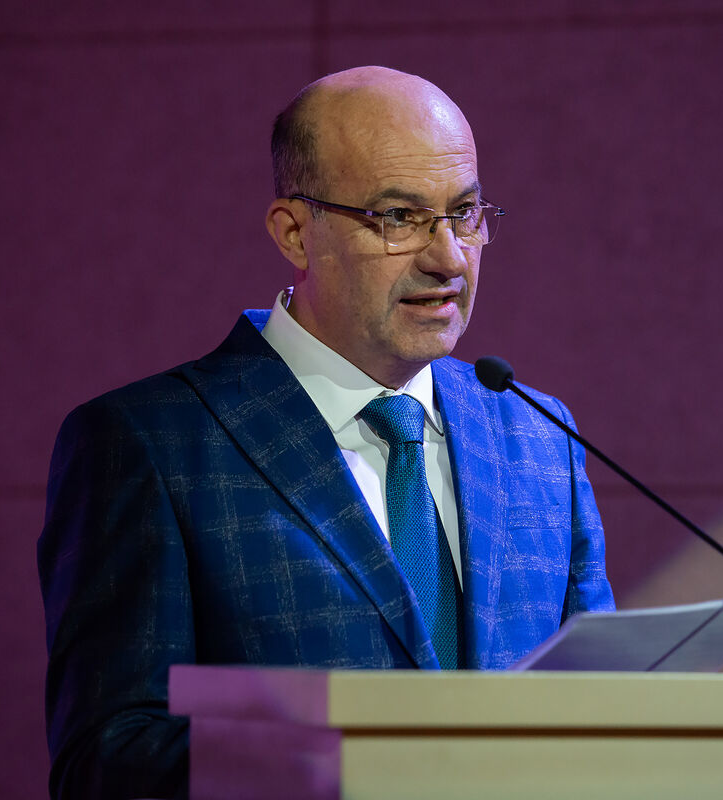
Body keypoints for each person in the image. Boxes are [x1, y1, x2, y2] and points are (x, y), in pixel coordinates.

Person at [38, 66, 614, 800]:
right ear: (294, 233)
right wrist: (368, 761)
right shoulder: (151, 444)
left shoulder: (538, 436)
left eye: (465, 213)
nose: (448, 258)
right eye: (399, 217)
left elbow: (603, 707)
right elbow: (107, 757)